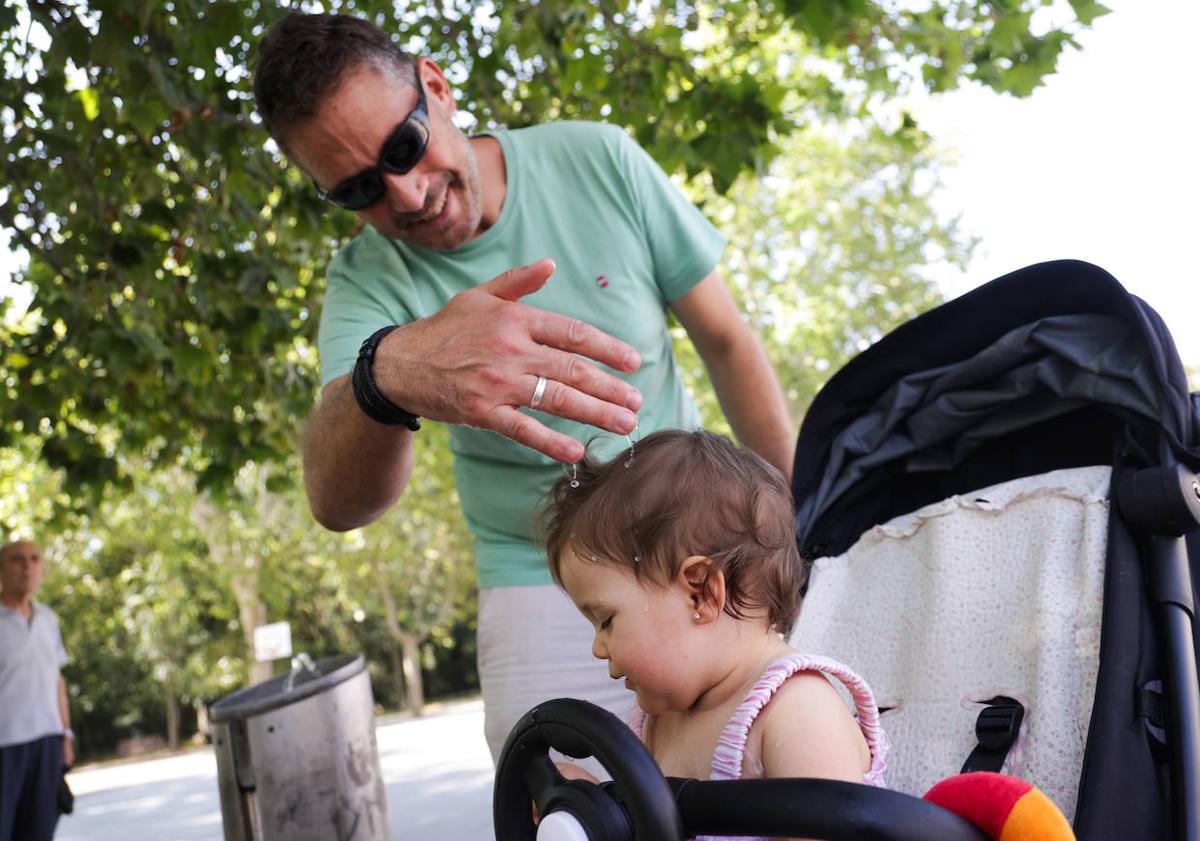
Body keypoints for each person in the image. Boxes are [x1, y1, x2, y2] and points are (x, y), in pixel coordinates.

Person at [252, 12, 794, 759]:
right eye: (358, 191)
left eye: (405, 147)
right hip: (533, 568)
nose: (405, 195)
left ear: (435, 86)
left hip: (694, 534)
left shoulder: (597, 158)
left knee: (776, 764)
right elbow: (339, 503)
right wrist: (393, 371)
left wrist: (797, 515)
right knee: (555, 799)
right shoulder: (366, 281)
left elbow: (727, 341)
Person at [541, 430, 887, 810]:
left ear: (702, 593)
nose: (597, 648)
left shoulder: (797, 714)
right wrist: (592, 803)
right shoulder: (660, 720)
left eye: (606, 620)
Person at [0, 540, 73, 841]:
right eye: (17, 559)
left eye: (34, 559)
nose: (27, 566)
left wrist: (66, 735)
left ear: (43, 569)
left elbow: (57, 680)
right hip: (4, 747)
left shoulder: (48, 619)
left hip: (47, 743)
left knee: (39, 833)